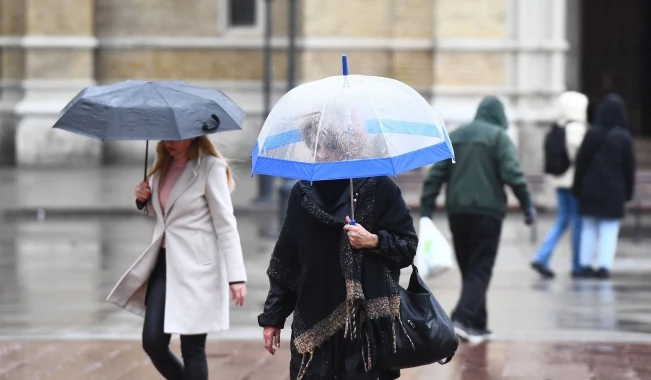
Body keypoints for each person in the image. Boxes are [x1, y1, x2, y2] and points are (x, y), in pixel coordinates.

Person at [258, 112, 418, 380]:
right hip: (313, 322)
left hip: (365, 327)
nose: (320, 154)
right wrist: (273, 318)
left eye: (328, 145)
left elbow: (407, 247)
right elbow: (286, 263)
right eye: (314, 145)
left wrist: (374, 240)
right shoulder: (303, 193)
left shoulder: (380, 188)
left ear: (347, 146)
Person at [106, 136, 248, 380]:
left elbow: (226, 225)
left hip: (197, 270)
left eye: (176, 137)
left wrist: (237, 278)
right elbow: (162, 211)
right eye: (166, 136)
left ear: (192, 135)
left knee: (192, 348)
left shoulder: (210, 167)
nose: (170, 141)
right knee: (152, 341)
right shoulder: (161, 166)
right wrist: (143, 200)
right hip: (162, 263)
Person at [420, 96, 535, 344]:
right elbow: (513, 174)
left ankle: (478, 323)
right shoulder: (498, 137)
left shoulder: (457, 135)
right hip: (487, 213)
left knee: (470, 268)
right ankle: (461, 319)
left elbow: (435, 175)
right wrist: (527, 205)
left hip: (458, 213)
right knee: (480, 268)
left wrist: (427, 210)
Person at [572, 93, 636, 279]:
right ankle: (604, 266)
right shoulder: (623, 138)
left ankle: (585, 264)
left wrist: (577, 188)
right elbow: (629, 169)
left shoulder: (591, 135)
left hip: (590, 189)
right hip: (614, 191)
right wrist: (628, 193)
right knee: (609, 229)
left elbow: (581, 164)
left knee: (589, 227)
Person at [531, 91, 589, 278]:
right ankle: (577, 264)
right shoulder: (577, 129)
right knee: (577, 222)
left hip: (559, 181)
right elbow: (583, 156)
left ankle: (542, 256)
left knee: (563, 220)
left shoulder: (557, 127)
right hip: (574, 182)